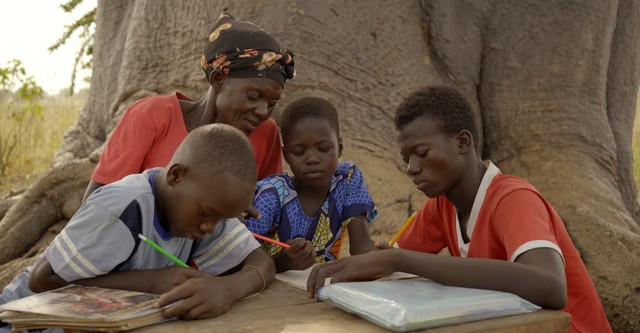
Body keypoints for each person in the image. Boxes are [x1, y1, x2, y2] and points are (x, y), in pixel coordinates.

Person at [306, 86, 612, 333]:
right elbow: (386, 264)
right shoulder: (441, 207)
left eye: (422, 153)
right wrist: (369, 262)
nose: (411, 168)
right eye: (405, 159)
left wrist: (398, 258)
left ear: (462, 141)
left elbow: (551, 287)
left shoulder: (513, 198)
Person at [0, 124, 275, 331]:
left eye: (221, 220)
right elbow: (41, 279)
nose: (210, 227)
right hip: (23, 321)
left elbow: (262, 263)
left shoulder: (203, 207)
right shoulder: (123, 207)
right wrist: (151, 282)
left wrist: (228, 289)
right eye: (208, 215)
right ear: (176, 175)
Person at [82, 12, 295, 201]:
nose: (262, 111)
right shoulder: (153, 116)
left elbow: (269, 207)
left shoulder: (265, 133)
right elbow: (97, 201)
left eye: (272, 104)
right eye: (253, 96)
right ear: (218, 79)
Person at [246, 97, 377, 273]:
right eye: (299, 152)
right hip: (267, 292)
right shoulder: (272, 195)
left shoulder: (347, 178)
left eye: (323, 149)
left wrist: (386, 256)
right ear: (286, 155)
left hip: (318, 291)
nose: (312, 159)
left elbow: (360, 246)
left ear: (339, 147)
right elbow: (237, 261)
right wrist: (281, 262)